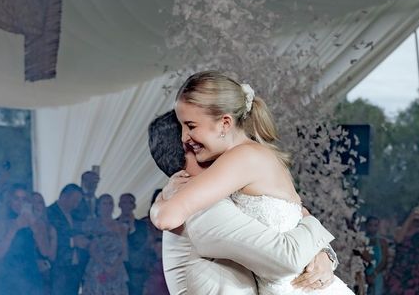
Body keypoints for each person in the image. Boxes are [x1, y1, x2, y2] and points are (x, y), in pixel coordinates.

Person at [148, 104, 344, 295]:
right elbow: (286, 259)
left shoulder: (191, 197)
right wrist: (313, 224)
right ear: (191, 145)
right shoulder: (203, 209)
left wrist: (324, 253)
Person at [0, 185, 45, 295]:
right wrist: (15, 228)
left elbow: (45, 251)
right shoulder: (1, 224)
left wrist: (34, 226)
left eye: (24, 199)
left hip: (31, 277)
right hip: (9, 278)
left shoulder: (35, 223)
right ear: (9, 201)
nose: (20, 203)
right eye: (16, 198)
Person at [81, 194, 129, 295]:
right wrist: (106, 267)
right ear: (98, 206)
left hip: (117, 268)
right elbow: (92, 249)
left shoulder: (121, 227)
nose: (108, 206)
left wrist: (114, 268)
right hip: (97, 267)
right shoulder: (91, 225)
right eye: (104, 203)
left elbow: (124, 251)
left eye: (110, 203)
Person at [47, 183, 88, 295]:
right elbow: (47, 239)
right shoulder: (49, 213)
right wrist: (72, 241)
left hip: (74, 269)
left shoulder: (75, 215)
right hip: (58, 269)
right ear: (64, 196)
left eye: (78, 202)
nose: (76, 205)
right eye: (74, 200)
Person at [385, 205, 419, 295]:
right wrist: (410, 218)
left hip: (416, 274)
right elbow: (398, 240)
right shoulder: (400, 231)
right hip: (399, 272)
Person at [117, 193, 150, 295]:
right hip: (117, 271)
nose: (126, 205)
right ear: (119, 204)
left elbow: (142, 245)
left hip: (137, 273)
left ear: (134, 205)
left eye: (129, 202)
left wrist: (131, 229)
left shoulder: (142, 226)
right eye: (124, 202)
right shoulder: (112, 224)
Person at [31, 192, 58, 294]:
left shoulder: (50, 229)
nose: (36, 205)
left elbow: (50, 255)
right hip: (25, 273)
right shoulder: (22, 227)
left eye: (39, 202)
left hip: (44, 274)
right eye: (32, 202)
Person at [363, 216, 389, 295]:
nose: (373, 228)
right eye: (370, 225)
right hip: (363, 276)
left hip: (377, 276)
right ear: (366, 226)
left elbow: (384, 261)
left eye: (375, 225)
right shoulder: (361, 240)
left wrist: (374, 274)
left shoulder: (382, 242)